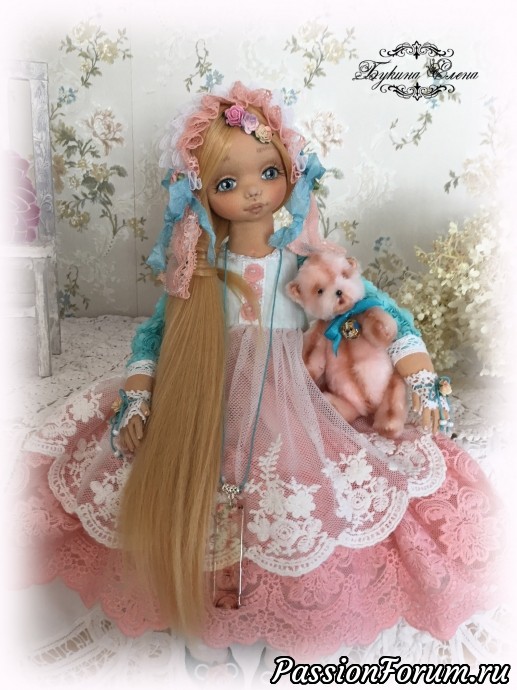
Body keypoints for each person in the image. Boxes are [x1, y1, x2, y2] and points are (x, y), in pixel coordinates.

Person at [16, 82, 502, 664]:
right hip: (206, 392)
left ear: (290, 173)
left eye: (267, 173)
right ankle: (207, 602)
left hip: (298, 394)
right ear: (200, 192)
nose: (252, 192)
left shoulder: (307, 263)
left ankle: (288, 602)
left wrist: (417, 371)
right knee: (177, 482)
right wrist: (139, 394)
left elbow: (378, 309)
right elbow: (154, 334)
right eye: (227, 183)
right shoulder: (200, 271)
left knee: (310, 489)